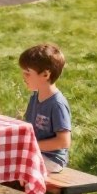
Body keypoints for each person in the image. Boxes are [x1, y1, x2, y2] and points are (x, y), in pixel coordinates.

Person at [20, 44, 71, 174]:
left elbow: (64, 141)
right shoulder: (34, 97)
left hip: (52, 159)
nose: (23, 77)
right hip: (35, 152)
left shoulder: (57, 104)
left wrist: (32, 145)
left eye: (27, 73)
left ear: (45, 75)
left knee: (17, 163)